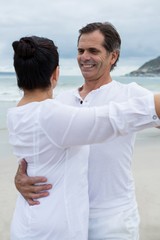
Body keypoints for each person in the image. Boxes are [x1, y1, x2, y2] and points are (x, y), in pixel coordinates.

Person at [13, 23, 160, 240]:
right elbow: (38, 152)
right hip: (67, 217)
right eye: (80, 51)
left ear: (113, 57)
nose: (84, 57)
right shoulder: (60, 102)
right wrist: (19, 179)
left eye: (93, 51)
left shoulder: (132, 94)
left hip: (113, 218)